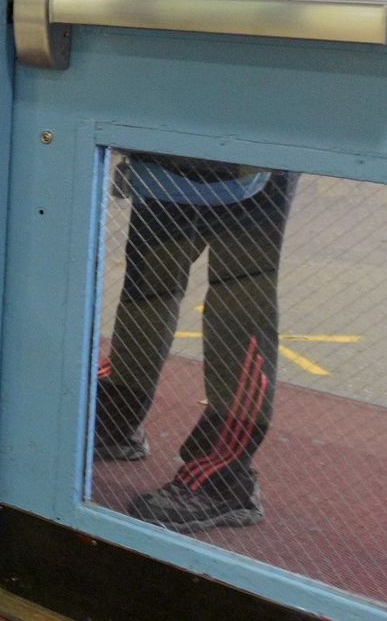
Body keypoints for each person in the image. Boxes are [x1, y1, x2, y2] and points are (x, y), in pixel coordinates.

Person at [97, 0, 314, 532]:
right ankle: (116, 420)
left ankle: (226, 470)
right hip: (169, 95)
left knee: (240, 286)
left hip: (256, 99)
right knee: (148, 275)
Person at [95, 158, 294, 531]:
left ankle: (224, 478)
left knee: (240, 307)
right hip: (170, 151)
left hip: (255, 148)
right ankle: (115, 417)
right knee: (147, 286)